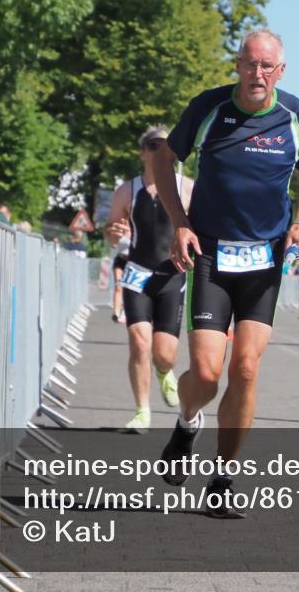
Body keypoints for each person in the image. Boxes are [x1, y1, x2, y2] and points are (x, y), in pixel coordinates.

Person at [152, 29, 299, 518]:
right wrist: (179, 224)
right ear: (238, 66)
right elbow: (166, 158)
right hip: (210, 256)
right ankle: (187, 421)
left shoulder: (295, 115)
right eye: (250, 64)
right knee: (206, 373)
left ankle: (223, 478)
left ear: (281, 72)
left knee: (245, 368)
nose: (258, 74)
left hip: (264, 260)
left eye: (267, 66)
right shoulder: (208, 108)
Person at [104, 127, 194, 432]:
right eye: (154, 146)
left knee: (164, 353)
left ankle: (164, 371)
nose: (161, 151)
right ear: (143, 152)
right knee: (139, 343)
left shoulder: (187, 188)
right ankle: (142, 411)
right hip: (137, 274)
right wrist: (113, 233)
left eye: (168, 146)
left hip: (172, 277)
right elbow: (110, 230)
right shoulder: (127, 191)